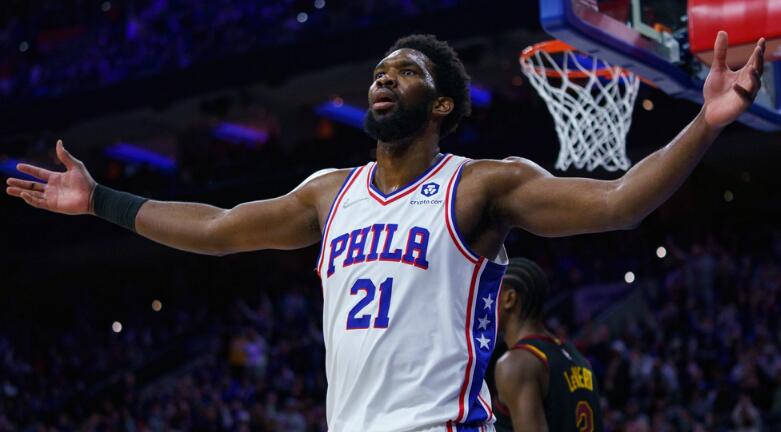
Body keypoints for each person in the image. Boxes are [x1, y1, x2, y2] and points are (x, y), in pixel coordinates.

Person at [4, 32, 765, 431]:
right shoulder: (327, 193)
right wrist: (100, 201)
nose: (383, 77)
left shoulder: (481, 184)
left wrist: (706, 122)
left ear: (441, 105)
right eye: (379, 70)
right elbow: (218, 228)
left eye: (404, 71)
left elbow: (619, 204)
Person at [493, 257, 603, 432]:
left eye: (489, 292)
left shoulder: (515, 363)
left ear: (509, 298)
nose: (483, 301)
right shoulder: (575, 356)